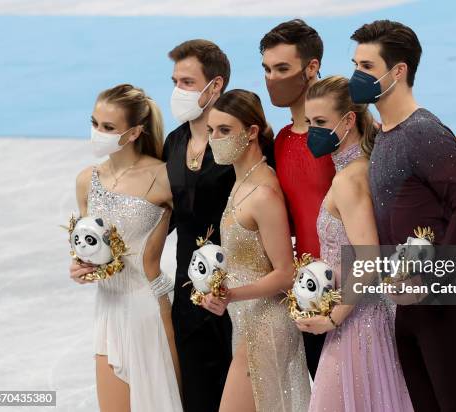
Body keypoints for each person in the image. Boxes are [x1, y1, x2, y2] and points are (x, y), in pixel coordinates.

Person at [350, 20, 456, 411]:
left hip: (449, 300)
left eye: (366, 66)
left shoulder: (423, 131)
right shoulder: (386, 134)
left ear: (398, 71)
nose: (355, 76)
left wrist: (429, 278)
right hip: (411, 305)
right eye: (355, 65)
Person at [295, 75, 414, 412]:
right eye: (309, 122)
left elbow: (368, 257)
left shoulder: (350, 179)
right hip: (367, 316)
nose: (313, 131)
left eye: (321, 122)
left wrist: (333, 317)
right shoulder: (368, 167)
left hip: (358, 324)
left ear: (348, 121)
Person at [69, 84, 182, 411]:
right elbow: (88, 247)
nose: (97, 133)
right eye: (94, 123)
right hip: (108, 307)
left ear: (134, 133)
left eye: (108, 127)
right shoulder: (86, 180)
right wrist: (80, 267)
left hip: (148, 307)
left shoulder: (163, 177)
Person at [200, 89, 310, 412]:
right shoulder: (241, 182)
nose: (214, 139)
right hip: (247, 322)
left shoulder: (262, 193)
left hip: (267, 325)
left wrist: (232, 293)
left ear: (250, 132)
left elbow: (286, 273)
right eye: (210, 131)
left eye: (224, 131)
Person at [163, 39, 235, 412]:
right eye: (175, 81)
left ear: (215, 85)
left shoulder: (236, 139)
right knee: (195, 392)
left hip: (236, 287)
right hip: (186, 289)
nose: (178, 90)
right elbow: (167, 214)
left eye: (188, 82)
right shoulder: (174, 142)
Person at [259, 18, 331, 379]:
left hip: (351, 286)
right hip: (306, 291)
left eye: (283, 68)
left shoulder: (343, 134)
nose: (273, 78)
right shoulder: (282, 140)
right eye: (267, 69)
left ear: (312, 67)